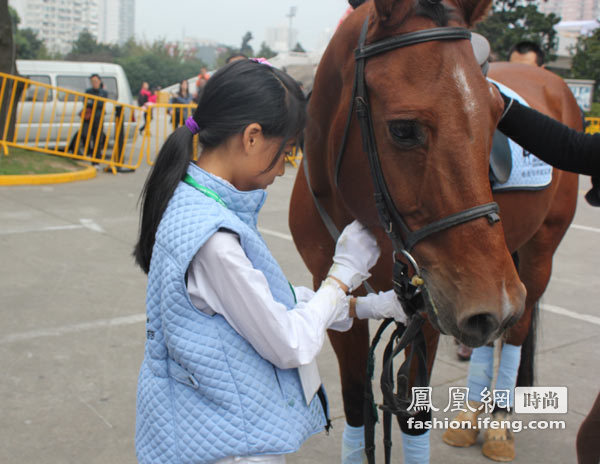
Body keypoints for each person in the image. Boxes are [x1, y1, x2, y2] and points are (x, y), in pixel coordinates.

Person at [133, 58, 407, 464]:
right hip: (228, 448)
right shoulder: (214, 238)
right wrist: (343, 273)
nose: (284, 169)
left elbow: (262, 301)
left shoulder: (194, 200)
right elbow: (288, 343)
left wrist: (367, 306)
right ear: (252, 137)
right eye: (286, 152)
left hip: (206, 428)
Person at [68, 73, 108, 160]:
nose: (94, 83)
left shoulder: (103, 92)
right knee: (85, 134)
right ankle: (90, 151)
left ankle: (96, 159)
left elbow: (101, 104)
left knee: (98, 138)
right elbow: (86, 102)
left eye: (96, 81)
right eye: (92, 81)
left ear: (99, 81)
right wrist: (94, 103)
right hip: (88, 117)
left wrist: (92, 102)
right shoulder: (88, 91)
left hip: (98, 117)